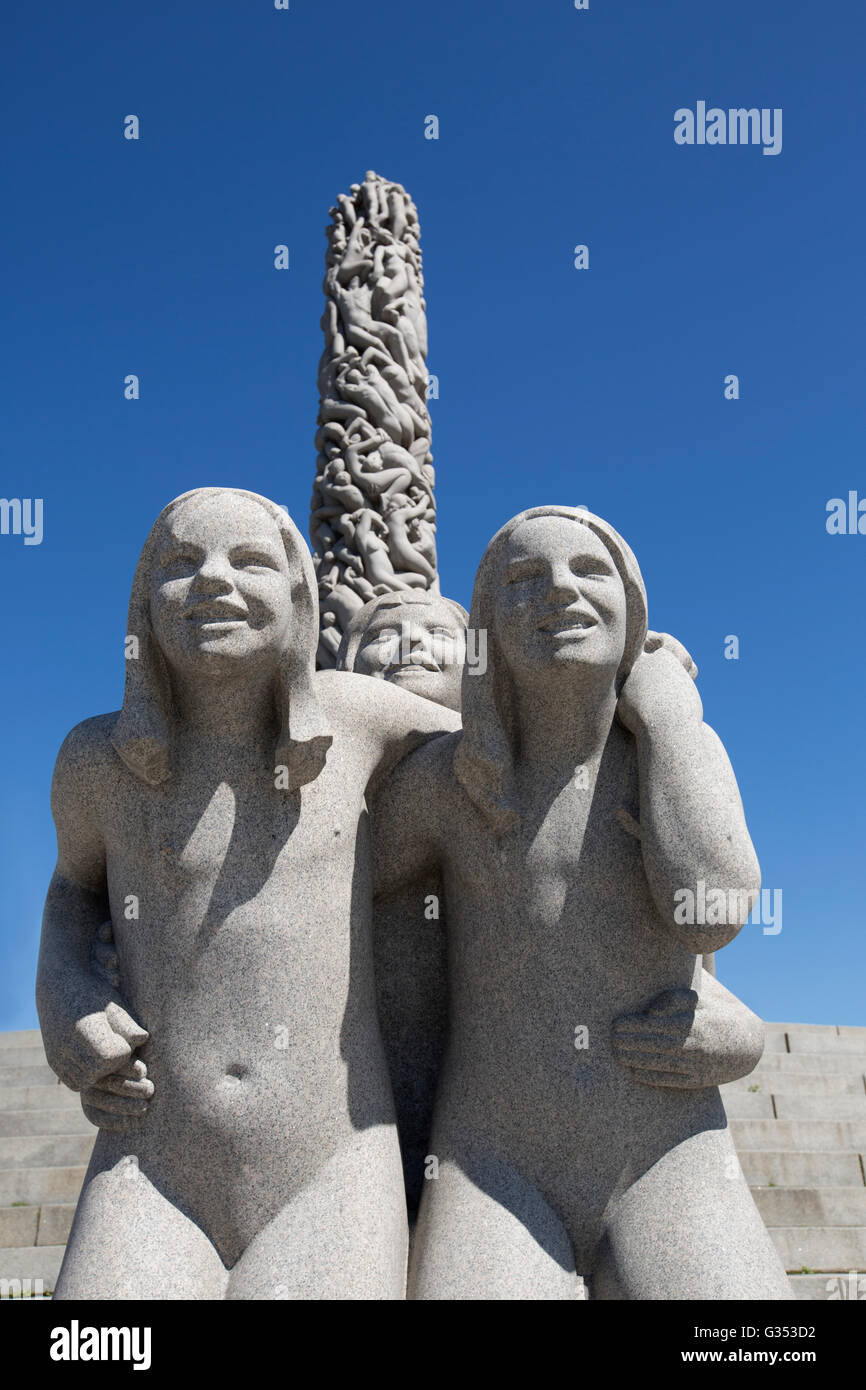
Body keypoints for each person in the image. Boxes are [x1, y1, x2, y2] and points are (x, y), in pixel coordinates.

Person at [36, 487, 458, 1300]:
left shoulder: (357, 717)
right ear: (142, 604)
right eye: (181, 563)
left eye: (250, 561)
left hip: (330, 1168)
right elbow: (70, 889)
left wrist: (646, 689)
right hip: (148, 1157)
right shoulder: (95, 762)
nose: (213, 581)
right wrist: (64, 994)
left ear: (301, 593)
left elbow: (514, 750)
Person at [371, 506, 792, 1299]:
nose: (559, 591)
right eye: (524, 580)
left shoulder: (668, 752)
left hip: (667, 1148)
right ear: (487, 630)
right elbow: (312, 878)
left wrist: (669, 717)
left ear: (633, 606)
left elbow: (712, 912)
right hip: (493, 1161)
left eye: (588, 571)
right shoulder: (452, 782)